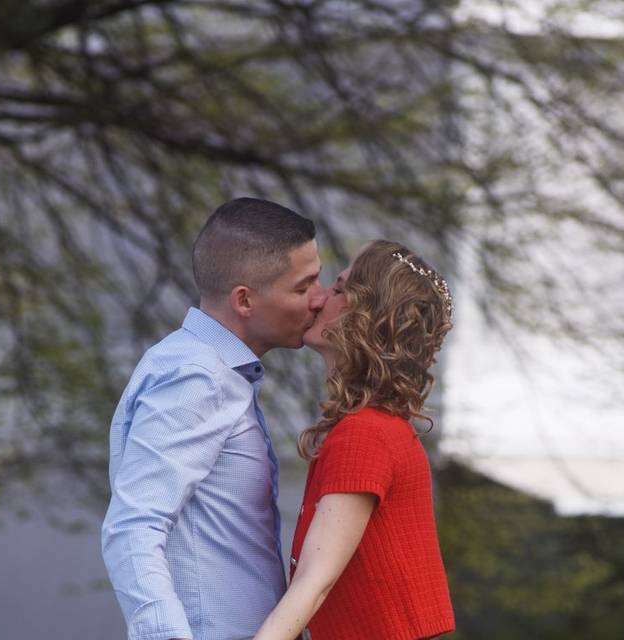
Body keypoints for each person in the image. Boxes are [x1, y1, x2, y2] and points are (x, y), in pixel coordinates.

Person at [101, 197, 327, 640]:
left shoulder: (212, 371)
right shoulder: (196, 375)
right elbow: (133, 526)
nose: (319, 300)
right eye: (302, 288)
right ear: (244, 300)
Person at [254, 240, 457, 640]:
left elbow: (315, 582)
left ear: (366, 316)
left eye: (339, 289)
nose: (318, 299)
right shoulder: (378, 426)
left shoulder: (365, 433)